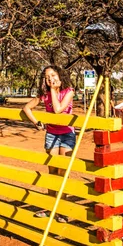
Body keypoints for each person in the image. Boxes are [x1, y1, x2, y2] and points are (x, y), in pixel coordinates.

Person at [22, 65, 75, 224]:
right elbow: (26, 108)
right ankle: (51, 208)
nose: (50, 78)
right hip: (51, 135)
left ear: (60, 75)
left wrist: (52, 89)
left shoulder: (69, 91)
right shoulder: (44, 95)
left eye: (53, 75)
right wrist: (36, 122)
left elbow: (58, 110)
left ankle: (62, 211)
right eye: (47, 77)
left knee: (62, 173)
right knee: (52, 172)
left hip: (67, 135)